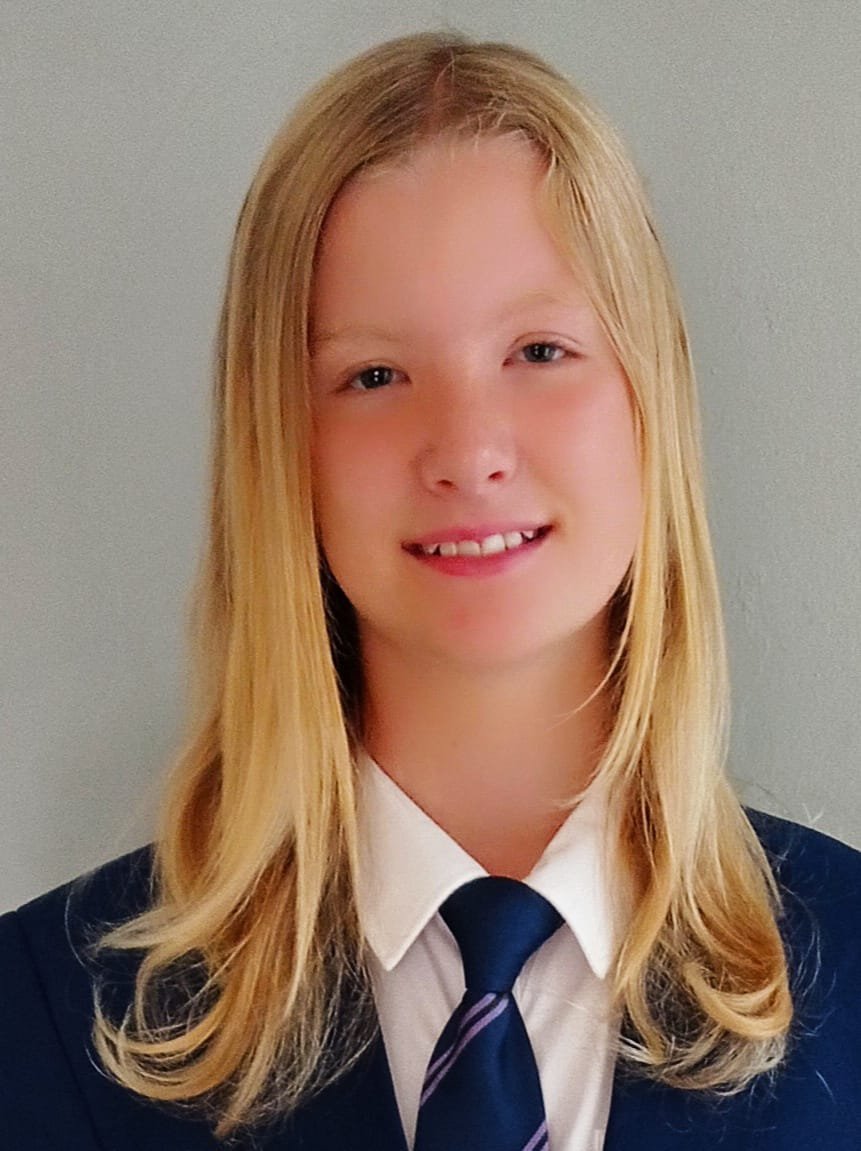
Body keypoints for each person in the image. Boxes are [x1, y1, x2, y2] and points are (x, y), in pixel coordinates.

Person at [1, 29, 859, 1151]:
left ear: (651, 395)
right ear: (281, 446)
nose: (466, 449)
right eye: (372, 374)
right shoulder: (35, 1024)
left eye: (539, 351)